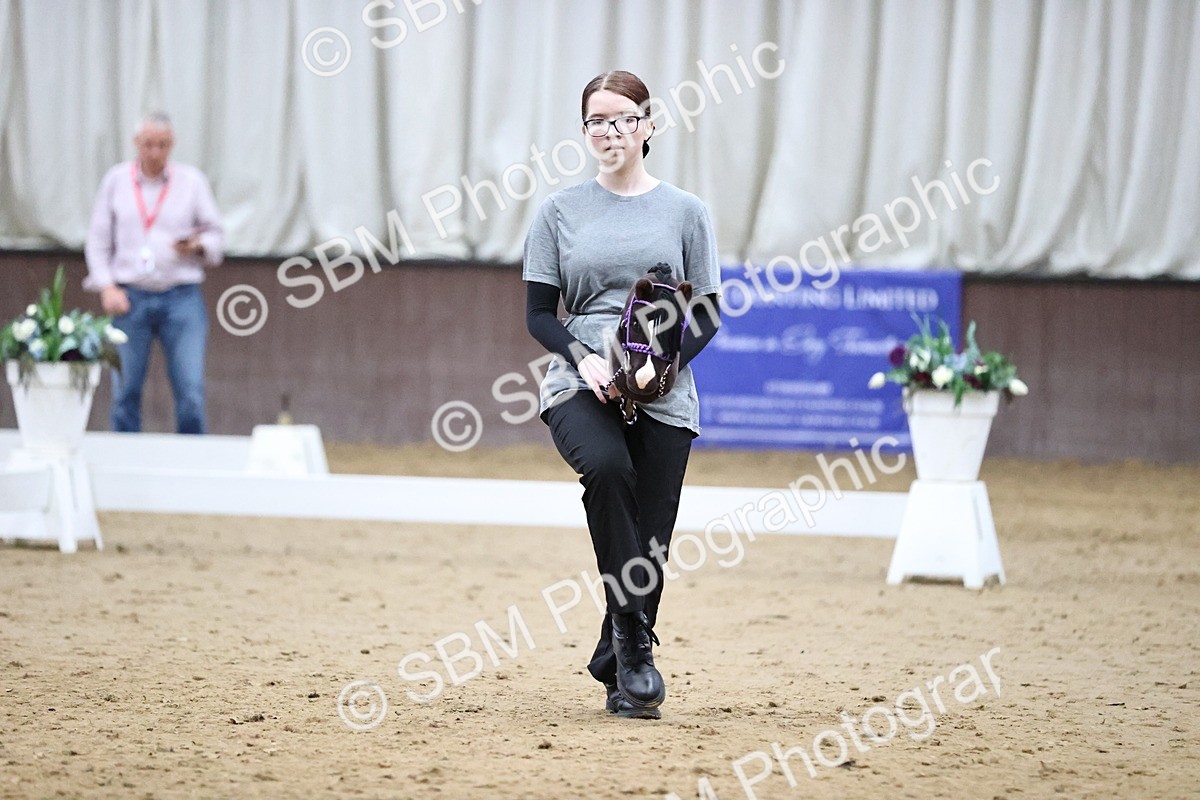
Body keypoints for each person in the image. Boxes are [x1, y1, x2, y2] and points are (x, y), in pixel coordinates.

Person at [522, 70, 722, 719]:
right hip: (581, 382)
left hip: (662, 391)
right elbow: (538, 314)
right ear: (584, 132)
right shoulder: (557, 211)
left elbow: (709, 313)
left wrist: (659, 370)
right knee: (608, 471)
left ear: (648, 124)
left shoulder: (687, 212)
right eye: (596, 121)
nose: (610, 131)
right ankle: (636, 647)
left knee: (653, 533)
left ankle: (618, 669)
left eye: (622, 118)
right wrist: (582, 360)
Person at [84, 111, 224, 434]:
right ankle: (124, 462)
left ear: (172, 145)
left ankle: (191, 463)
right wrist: (107, 286)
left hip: (181, 297)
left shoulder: (191, 182)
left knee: (190, 390)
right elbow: (97, 240)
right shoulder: (116, 181)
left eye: (163, 145)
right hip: (130, 297)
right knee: (125, 390)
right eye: (148, 144)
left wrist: (197, 245)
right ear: (136, 143)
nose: (155, 153)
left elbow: (217, 236)